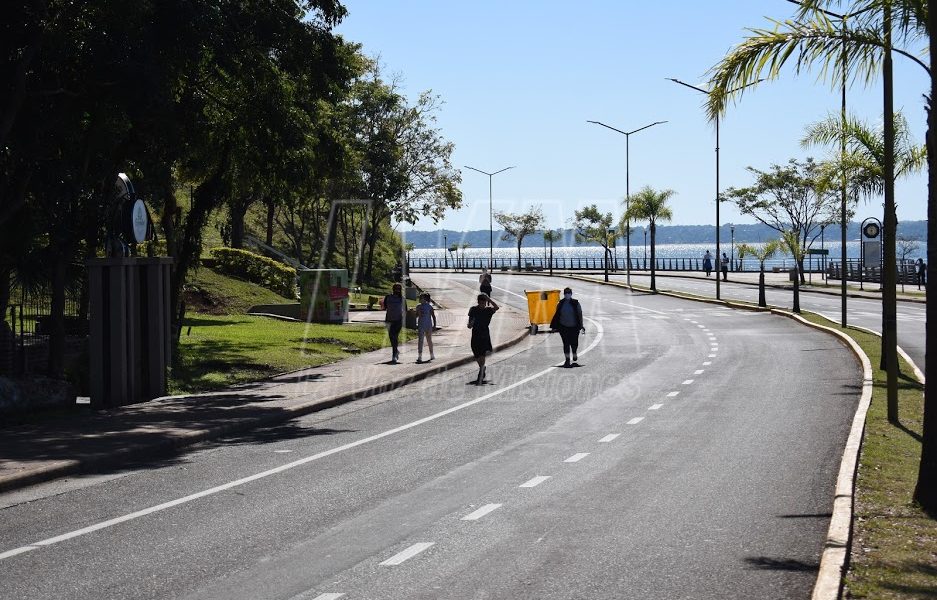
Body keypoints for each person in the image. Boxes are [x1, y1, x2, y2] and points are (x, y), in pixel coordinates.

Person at [468, 293, 499, 384]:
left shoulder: (488, 310)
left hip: (484, 334)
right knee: (476, 353)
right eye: (481, 302)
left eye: (484, 302)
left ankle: (481, 370)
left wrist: (489, 299)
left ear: (486, 302)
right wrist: (470, 324)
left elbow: (497, 307)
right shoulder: (473, 309)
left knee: (482, 353)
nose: (482, 304)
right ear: (478, 302)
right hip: (475, 334)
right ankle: (482, 367)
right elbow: (469, 324)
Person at [550, 287, 585, 367]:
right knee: (566, 344)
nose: (567, 294)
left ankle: (574, 352)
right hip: (563, 327)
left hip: (574, 327)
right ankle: (567, 360)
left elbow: (580, 314)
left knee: (574, 343)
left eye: (569, 293)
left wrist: (581, 325)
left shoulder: (576, 303)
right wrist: (554, 326)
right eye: (566, 293)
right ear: (564, 294)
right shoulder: (560, 303)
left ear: (571, 294)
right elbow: (557, 316)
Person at [383, 283, 405, 364]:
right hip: (389, 320)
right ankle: (396, 351)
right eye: (396, 288)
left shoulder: (402, 299)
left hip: (398, 320)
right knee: (391, 338)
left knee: (395, 337)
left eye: (399, 289)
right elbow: (384, 307)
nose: (397, 290)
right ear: (393, 289)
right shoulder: (388, 297)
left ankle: (394, 355)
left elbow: (405, 309)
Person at [416, 293, 437, 363]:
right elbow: (416, 316)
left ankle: (432, 354)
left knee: (429, 340)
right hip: (421, 325)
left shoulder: (429, 307)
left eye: (420, 298)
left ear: (424, 299)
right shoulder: (418, 306)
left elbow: (433, 316)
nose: (419, 299)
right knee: (420, 340)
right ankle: (420, 355)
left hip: (428, 325)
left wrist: (434, 325)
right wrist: (416, 313)